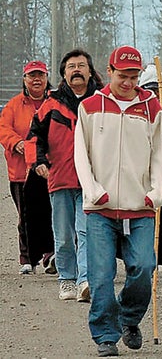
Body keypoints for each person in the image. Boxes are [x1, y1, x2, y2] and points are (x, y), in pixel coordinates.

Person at [74, 45, 162, 357]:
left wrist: (155, 193)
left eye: (134, 76)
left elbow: (159, 154)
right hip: (100, 208)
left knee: (143, 267)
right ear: (109, 71)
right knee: (100, 277)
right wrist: (92, 188)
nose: (128, 82)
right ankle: (105, 336)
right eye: (122, 75)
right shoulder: (89, 107)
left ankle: (129, 319)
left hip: (139, 206)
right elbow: (80, 155)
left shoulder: (152, 107)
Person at [29, 50, 103, 302]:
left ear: (90, 71)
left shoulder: (101, 102)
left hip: (91, 180)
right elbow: (35, 137)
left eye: (82, 65)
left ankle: (84, 280)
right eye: (71, 66)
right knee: (62, 237)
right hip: (59, 178)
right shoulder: (51, 104)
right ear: (63, 74)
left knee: (86, 233)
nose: (77, 70)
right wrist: (38, 161)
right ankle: (66, 280)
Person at [0, 60, 54, 275]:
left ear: (47, 78)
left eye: (40, 75)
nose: (36, 79)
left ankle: (51, 255)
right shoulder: (14, 105)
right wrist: (16, 142)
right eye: (32, 76)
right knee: (26, 215)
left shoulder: (53, 102)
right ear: (25, 80)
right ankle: (27, 258)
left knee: (51, 213)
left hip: (48, 168)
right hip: (20, 172)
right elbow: (3, 129)